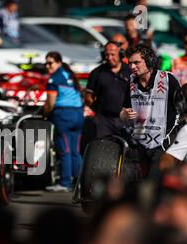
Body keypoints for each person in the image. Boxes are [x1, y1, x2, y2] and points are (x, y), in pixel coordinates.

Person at [120, 44, 181, 177]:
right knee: (143, 184)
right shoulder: (131, 82)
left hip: (163, 143)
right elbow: (124, 112)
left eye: (137, 63)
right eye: (130, 63)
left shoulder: (167, 80)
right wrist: (124, 114)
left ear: (149, 62)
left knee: (153, 184)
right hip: (141, 142)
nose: (132, 67)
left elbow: (181, 109)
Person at [43, 52, 83, 192]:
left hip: (64, 116)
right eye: (46, 63)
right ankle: (79, 182)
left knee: (65, 151)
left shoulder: (53, 79)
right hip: (78, 115)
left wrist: (45, 113)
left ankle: (65, 183)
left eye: (50, 63)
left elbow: (50, 104)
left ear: (59, 63)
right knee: (75, 151)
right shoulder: (69, 74)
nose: (48, 66)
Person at [85, 41, 131, 138]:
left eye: (113, 54)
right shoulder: (96, 73)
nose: (109, 58)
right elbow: (88, 98)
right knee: (102, 148)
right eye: (107, 55)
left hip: (126, 120)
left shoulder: (130, 71)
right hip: (104, 122)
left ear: (121, 54)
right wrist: (98, 112)